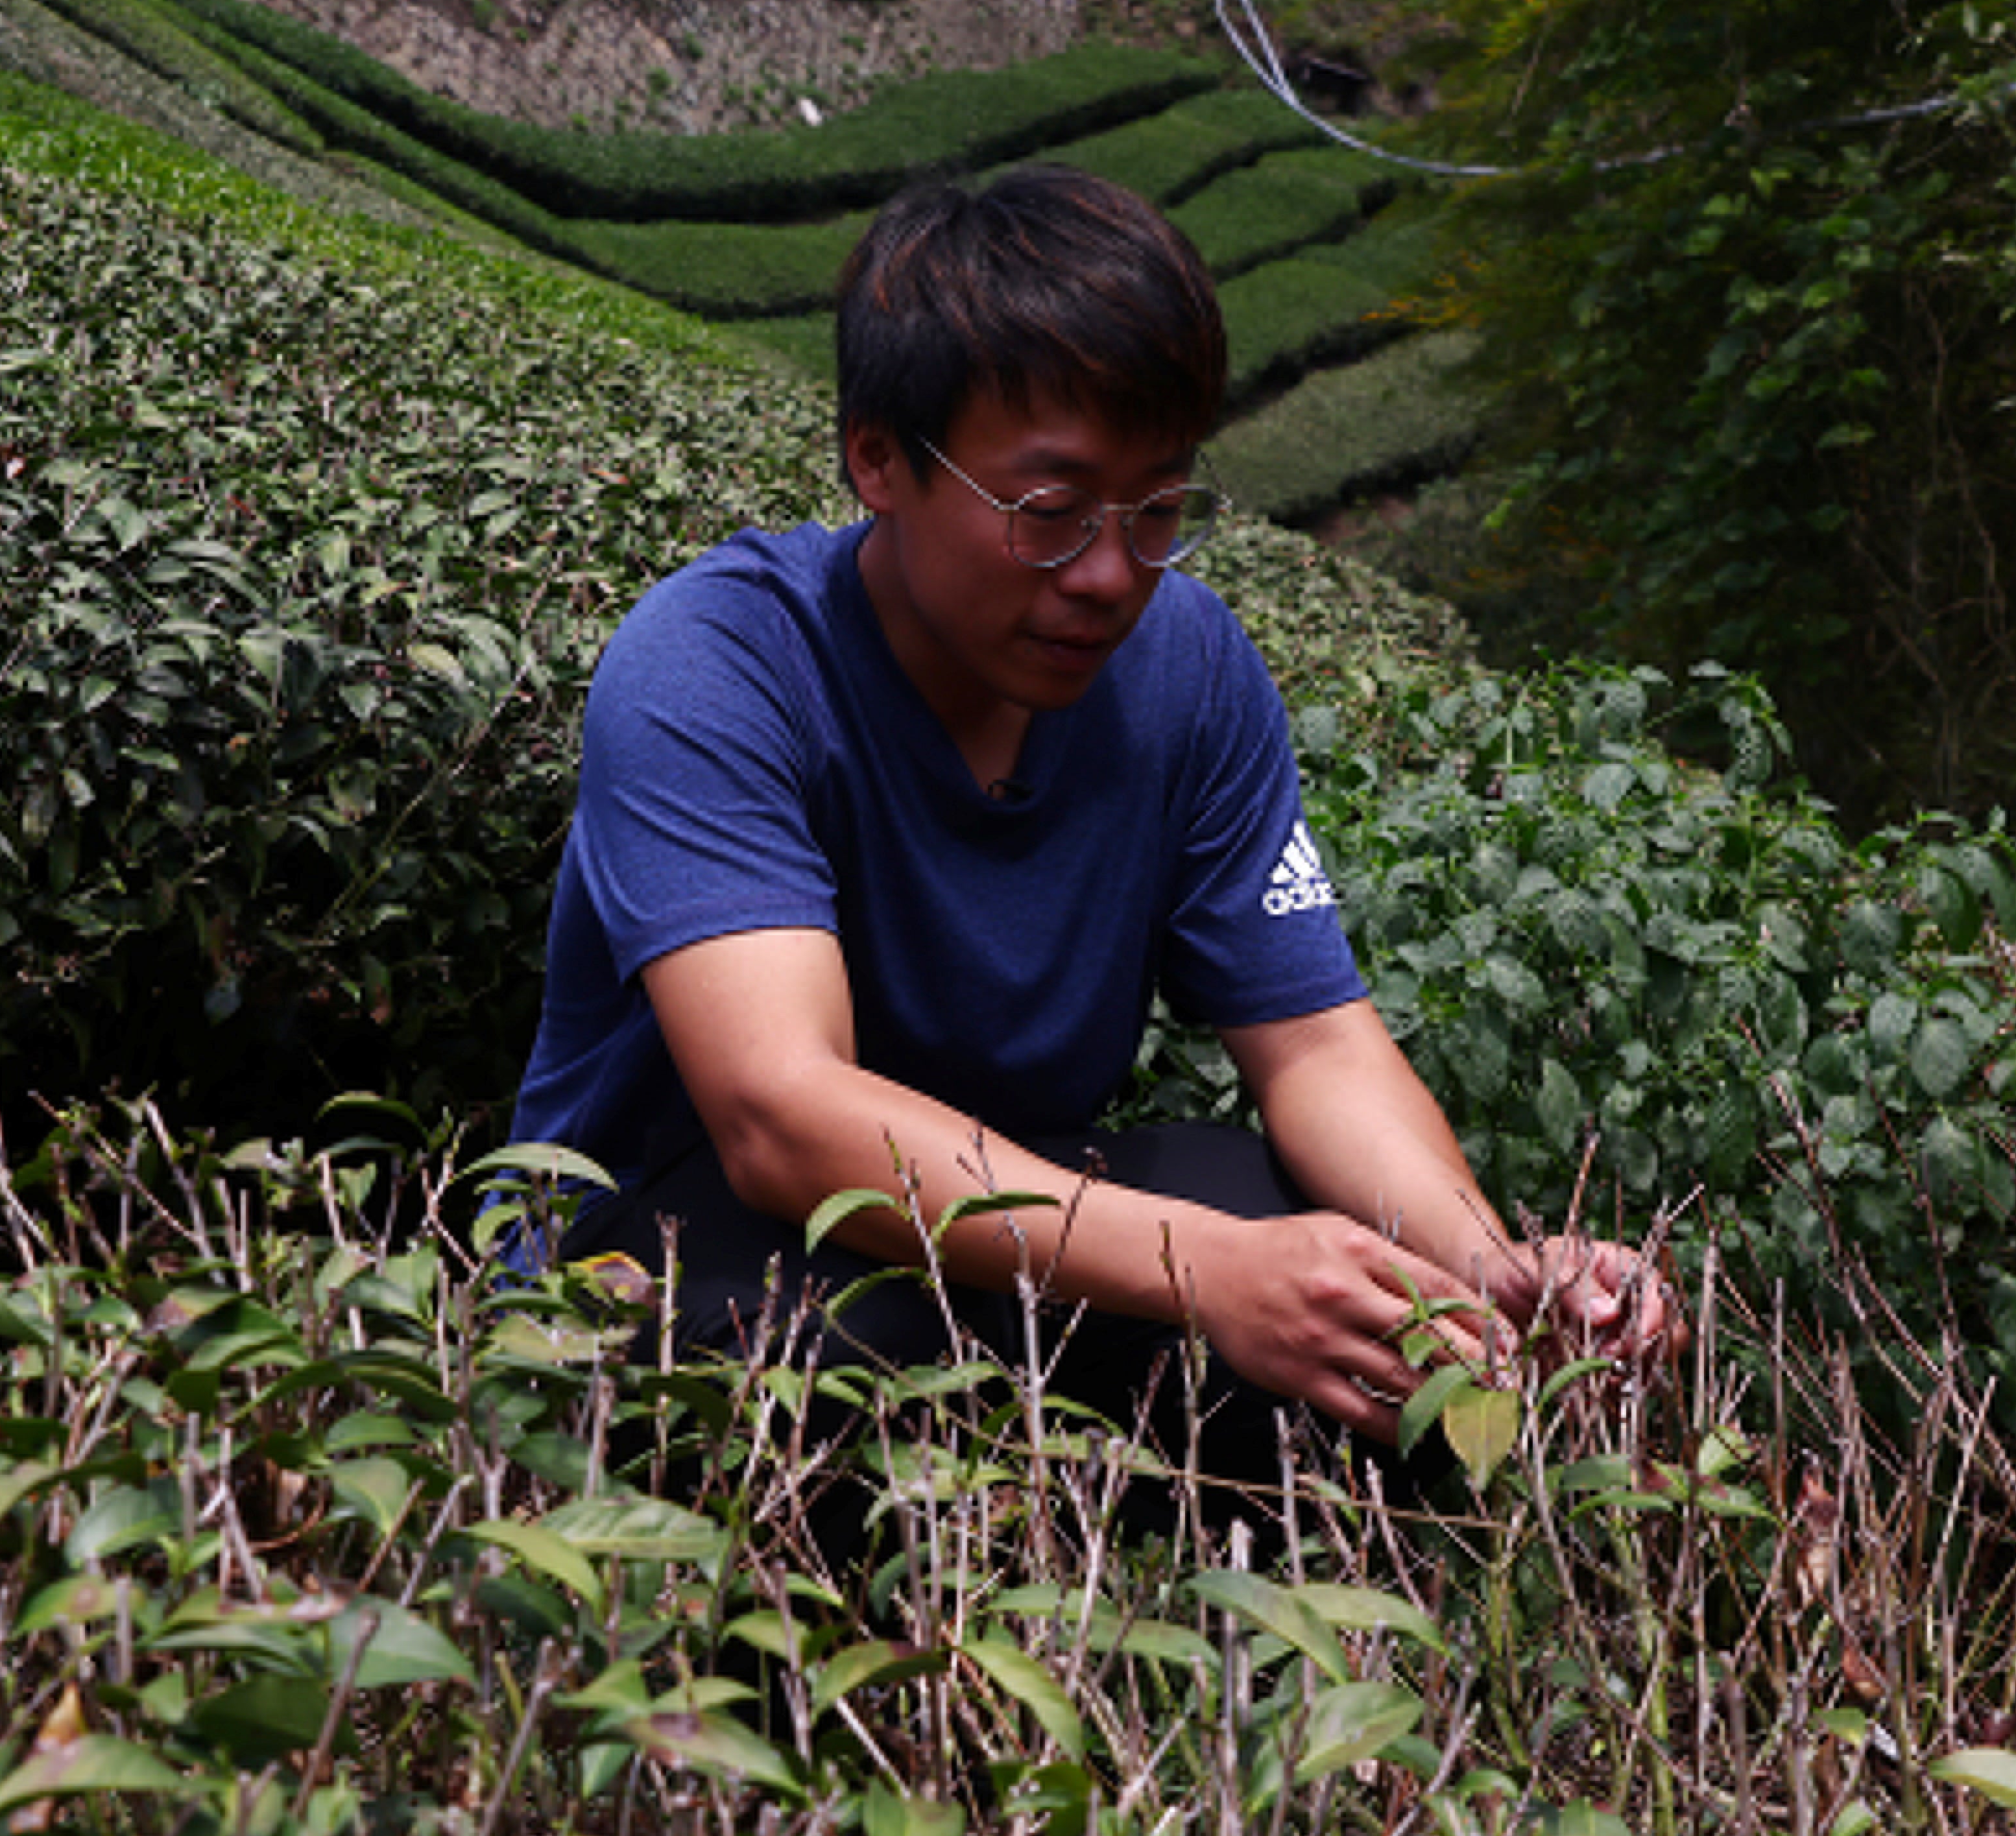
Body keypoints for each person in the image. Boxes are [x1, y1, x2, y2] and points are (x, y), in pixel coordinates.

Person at [507, 162, 1670, 1490]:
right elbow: (782, 1116)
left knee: (1359, 1289)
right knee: (862, 1363)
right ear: (876, 459)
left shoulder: (1186, 670)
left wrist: (1490, 1273)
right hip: (661, 1249)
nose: (1110, 576)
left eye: (1158, 511)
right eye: (1047, 515)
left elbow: (1314, 1051)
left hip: (1000, 1226)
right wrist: (1202, 1266)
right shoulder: (716, 664)